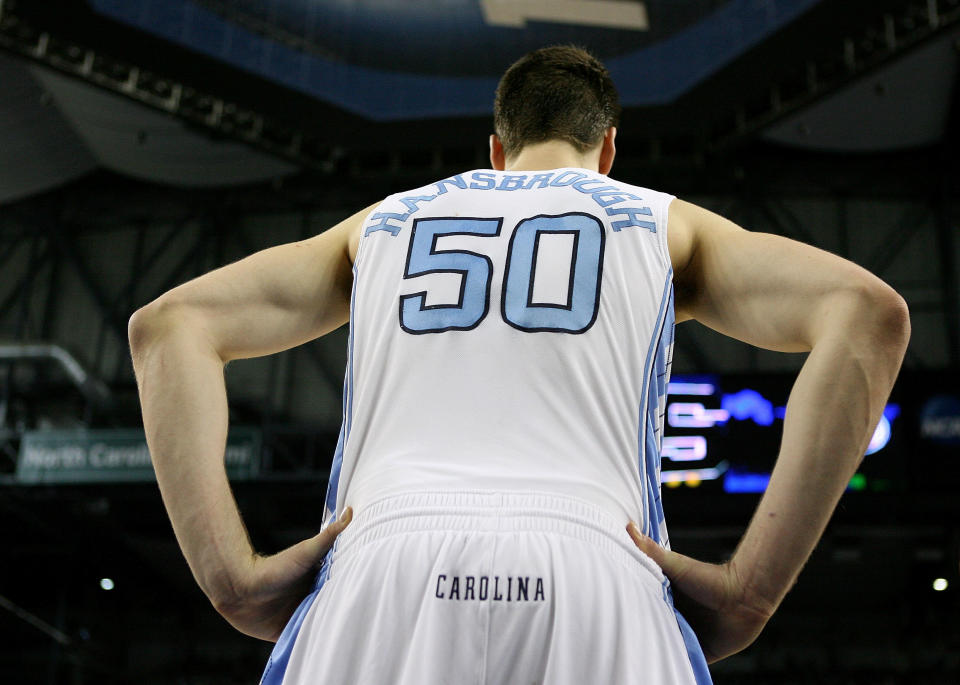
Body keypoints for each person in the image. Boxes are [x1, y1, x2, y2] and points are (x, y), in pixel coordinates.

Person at [128, 46, 909, 684]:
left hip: (385, 559)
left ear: (495, 151)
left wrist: (228, 576)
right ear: (607, 150)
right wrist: (753, 589)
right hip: (598, 562)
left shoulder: (385, 222)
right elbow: (870, 316)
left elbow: (168, 326)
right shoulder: (661, 221)